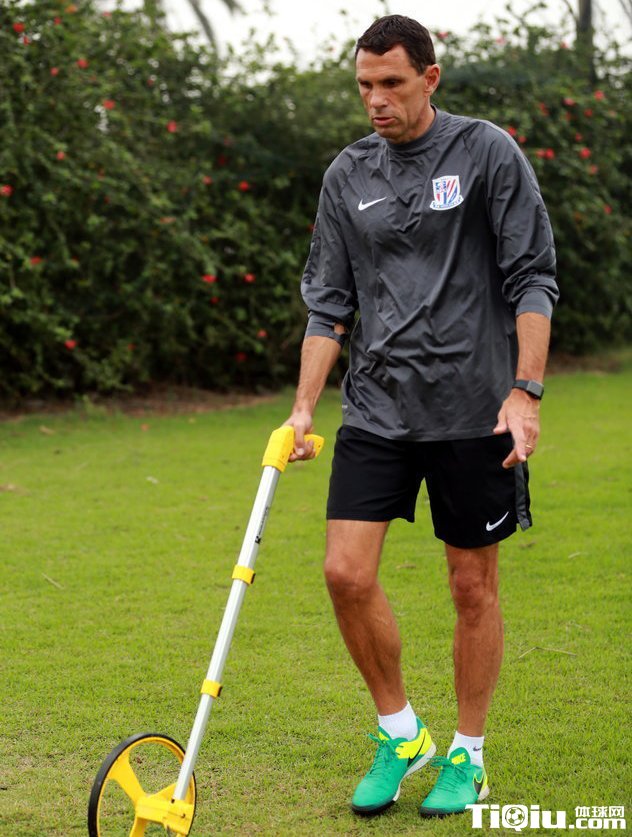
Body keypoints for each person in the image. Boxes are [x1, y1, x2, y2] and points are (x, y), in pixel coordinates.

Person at [284, 14, 559, 820]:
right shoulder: (348, 173)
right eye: (364, 85)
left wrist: (526, 391)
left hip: (475, 408)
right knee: (344, 573)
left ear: (430, 78)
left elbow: (533, 277)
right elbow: (329, 305)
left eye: (392, 83)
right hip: (376, 407)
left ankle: (468, 753)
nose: (376, 99)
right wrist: (302, 408)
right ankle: (401, 732)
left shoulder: (485, 153)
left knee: (471, 585)